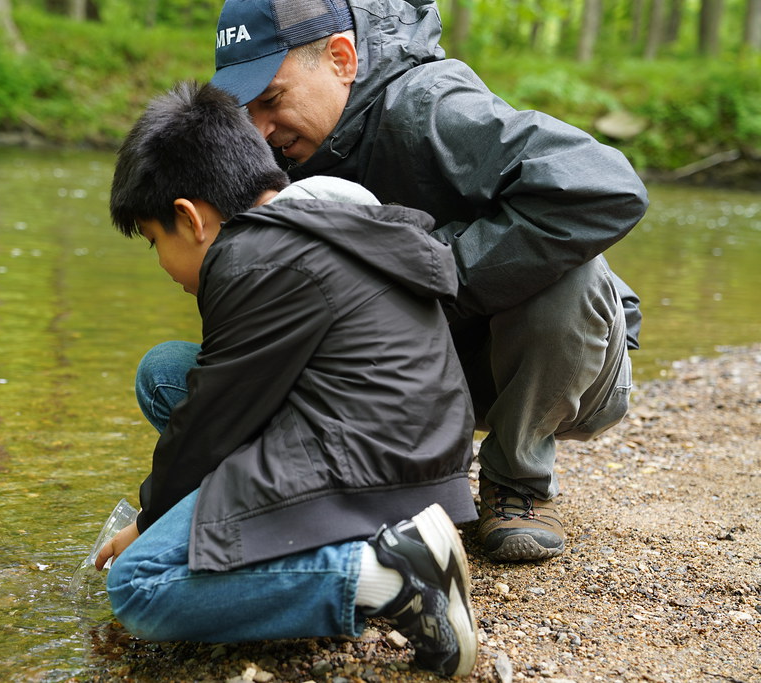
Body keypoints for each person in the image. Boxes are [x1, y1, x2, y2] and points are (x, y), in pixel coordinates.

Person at [206, 0, 650, 562]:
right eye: (245, 111)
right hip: (424, 373)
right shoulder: (280, 152)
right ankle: (393, 482)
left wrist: (428, 270)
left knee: (570, 275)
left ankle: (518, 482)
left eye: (271, 100)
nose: (261, 130)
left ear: (341, 59)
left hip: (556, 369)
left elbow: (608, 189)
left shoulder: (431, 107)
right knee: (171, 374)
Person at [97, 80, 478, 677]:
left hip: (377, 470)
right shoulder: (306, 220)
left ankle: (385, 574)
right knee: (167, 374)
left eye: (154, 243)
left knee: (139, 587)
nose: (162, 265)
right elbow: (217, 398)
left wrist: (148, 524)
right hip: (410, 444)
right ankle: (335, 547)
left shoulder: (254, 259)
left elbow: (212, 424)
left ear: (188, 218)